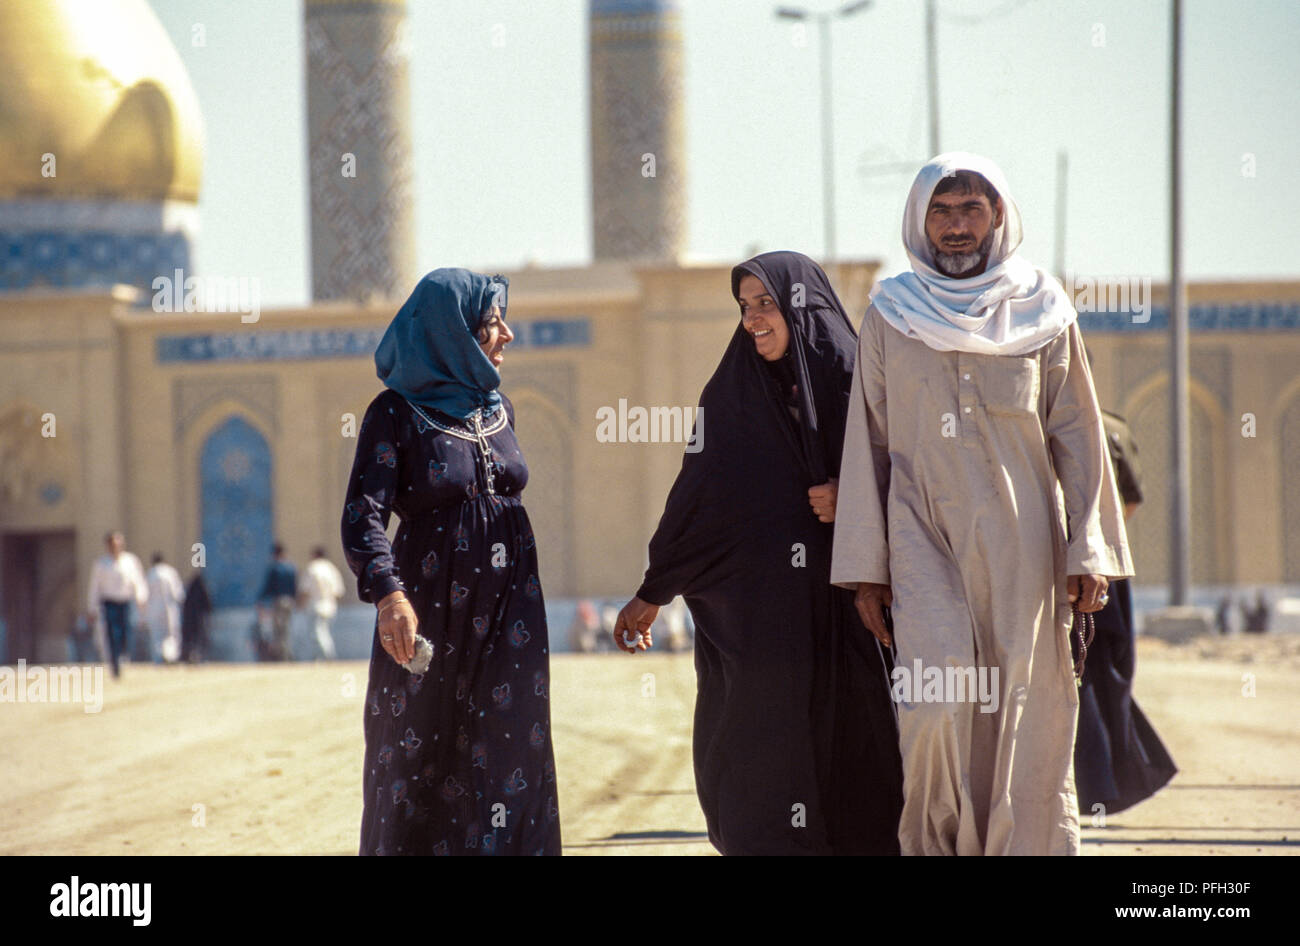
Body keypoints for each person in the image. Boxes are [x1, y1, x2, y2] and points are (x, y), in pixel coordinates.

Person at [831, 153, 1133, 856]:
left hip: (1025, 541)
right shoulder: (890, 314)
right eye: (942, 211)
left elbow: (1078, 437)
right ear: (919, 221)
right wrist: (866, 567)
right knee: (935, 703)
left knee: (1025, 710)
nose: (957, 226)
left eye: (972, 209)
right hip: (921, 534)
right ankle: (935, 845)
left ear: (999, 215)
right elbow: (867, 444)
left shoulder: (1045, 311)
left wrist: (1088, 548)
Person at [616, 251, 904, 856]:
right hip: (765, 619)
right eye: (745, 308)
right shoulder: (733, 394)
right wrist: (653, 590)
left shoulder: (859, 381)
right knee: (763, 751)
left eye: (765, 304)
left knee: (861, 749)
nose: (752, 320)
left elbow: (915, 474)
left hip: (854, 607)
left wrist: (851, 497)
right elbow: (697, 498)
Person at [341, 267, 561, 856]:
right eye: (492, 324)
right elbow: (364, 513)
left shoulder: (500, 408)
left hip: (511, 614)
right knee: (419, 754)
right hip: (430, 613)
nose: (507, 335)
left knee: (511, 745)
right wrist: (389, 594)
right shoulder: (395, 413)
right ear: (453, 334)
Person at [1073, 409, 1177, 817]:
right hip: (1101, 564)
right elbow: (1130, 501)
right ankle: (1104, 785)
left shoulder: (1073, 421)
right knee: (1100, 673)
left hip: (1075, 567)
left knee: (1090, 673)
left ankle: (1100, 783)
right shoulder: (1107, 424)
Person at [86, 531, 148, 678]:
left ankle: (121, 655)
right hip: (109, 603)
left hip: (125, 602)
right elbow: (94, 587)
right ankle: (115, 663)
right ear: (108, 546)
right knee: (112, 634)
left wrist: (141, 597)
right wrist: (91, 608)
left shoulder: (131, 561)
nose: (116, 547)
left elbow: (138, 580)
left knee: (126, 632)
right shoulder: (101, 564)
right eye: (113, 544)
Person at [299, 546, 345, 660]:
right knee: (326, 632)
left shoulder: (313, 568)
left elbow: (305, 589)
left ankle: (327, 656)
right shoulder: (332, 569)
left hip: (315, 605)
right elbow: (338, 592)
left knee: (317, 634)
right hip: (330, 605)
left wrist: (301, 604)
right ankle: (321, 658)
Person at [256, 543, 297, 660]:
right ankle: (288, 654)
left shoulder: (275, 568)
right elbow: (295, 586)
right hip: (289, 601)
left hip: (278, 601)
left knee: (278, 630)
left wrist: (261, 600)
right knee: (287, 628)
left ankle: (282, 656)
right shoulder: (291, 567)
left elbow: (268, 587)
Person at [144, 552, 186, 664]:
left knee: (156, 634)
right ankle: (171, 656)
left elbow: (145, 594)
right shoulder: (170, 572)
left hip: (154, 608)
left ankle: (158, 658)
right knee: (172, 633)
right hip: (169, 607)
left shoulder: (150, 574)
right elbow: (177, 593)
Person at [181, 571, 213, 663]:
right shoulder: (200, 587)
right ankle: (197, 657)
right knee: (199, 638)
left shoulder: (192, 589)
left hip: (191, 619)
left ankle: (193, 656)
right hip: (199, 619)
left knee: (193, 639)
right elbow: (207, 604)